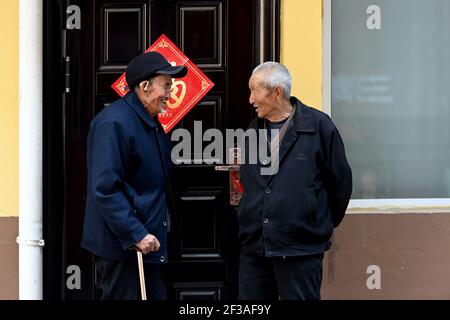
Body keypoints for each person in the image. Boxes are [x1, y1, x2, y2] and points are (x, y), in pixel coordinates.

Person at [237, 62, 352, 300]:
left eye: (255, 91)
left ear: (277, 92)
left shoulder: (319, 127)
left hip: (300, 248)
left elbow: (340, 184)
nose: (250, 99)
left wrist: (317, 223)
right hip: (256, 247)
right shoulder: (252, 130)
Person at [81, 52, 187, 300]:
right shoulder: (114, 123)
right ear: (145, 87)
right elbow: (105, 188)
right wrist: (135, 233)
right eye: (166, 86)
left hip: (148, 242)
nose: (170, 94)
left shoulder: (147, 120)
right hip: (126, 246)